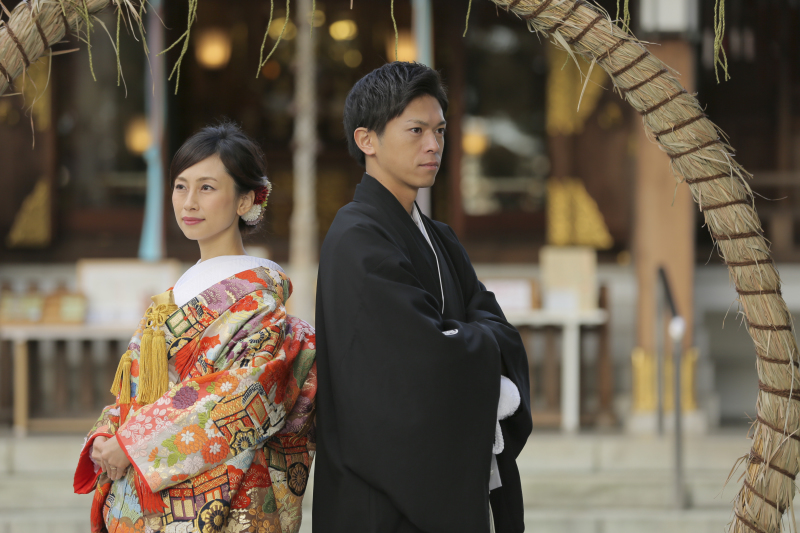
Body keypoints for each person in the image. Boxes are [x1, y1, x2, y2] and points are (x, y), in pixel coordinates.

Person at [313, 62, 532, 532]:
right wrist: (470, 339)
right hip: (379, 493)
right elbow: (423, 358)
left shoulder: (440, 237)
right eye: (415, 130)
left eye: (439, 130)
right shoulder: (356, 239)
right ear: (366, 139)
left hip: (433, 484)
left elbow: (497, 329)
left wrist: (464, 337)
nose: (433, 145)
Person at [73, 122, 317, 533]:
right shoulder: (176, 295)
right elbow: (136, 389)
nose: (189, 202)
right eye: (181, 186)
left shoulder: (261, 304)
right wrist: (105, 436)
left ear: (244, 201)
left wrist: (132, 446)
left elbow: (239, 398)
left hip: (213, 497)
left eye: (207, 188)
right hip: (139, 482)